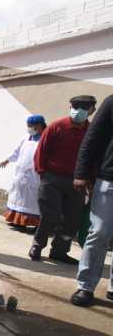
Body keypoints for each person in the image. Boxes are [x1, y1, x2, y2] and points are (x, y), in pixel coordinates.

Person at [29, 95, 97, 264]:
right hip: (52, 178)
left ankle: (59, 251)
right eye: (76, 106)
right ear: (70, 107)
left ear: (91, 111)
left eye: (84, 108)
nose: (79, 111)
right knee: (50, 216)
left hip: (78, 182)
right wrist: (42, 174)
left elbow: (94, 157)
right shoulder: (56, 126)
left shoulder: (92, 131)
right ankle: (37, 245)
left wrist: (91, 181)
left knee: (72, 219)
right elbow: (41, 151)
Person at [71, 94, 113, 306]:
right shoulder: (112, 102)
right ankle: (85, 286)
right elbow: (93, 138)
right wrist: (81, 173)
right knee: (99, 233)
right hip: (109, 181)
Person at [0, 115, 47, 228]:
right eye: (28, 126)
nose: (29, 128)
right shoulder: (26, 138)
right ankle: (17, 221)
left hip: (35, 176)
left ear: (39, 126)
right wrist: (7, 160)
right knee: (17, 197)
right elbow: (16, 151)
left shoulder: (45, 139)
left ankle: (35, 224)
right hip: (21, 175)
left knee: (33, 200)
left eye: (31, 126)